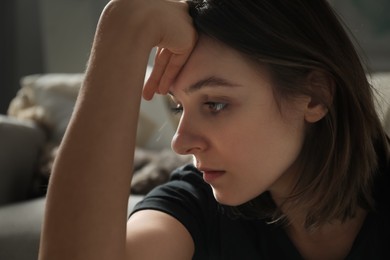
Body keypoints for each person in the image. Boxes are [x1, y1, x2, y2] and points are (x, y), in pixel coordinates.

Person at [38, 0, 390, 259]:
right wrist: (122, 27)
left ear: (314, 96)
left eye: (215, 104)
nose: (180, 142)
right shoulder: (194, 205)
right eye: (179, 106)